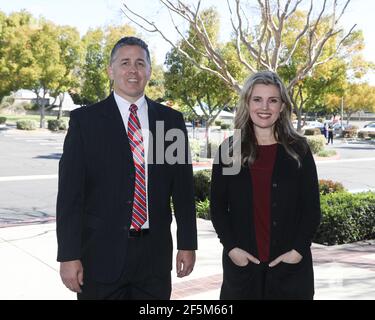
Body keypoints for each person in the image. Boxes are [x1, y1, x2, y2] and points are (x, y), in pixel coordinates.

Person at [56, 36, 197, 300]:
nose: (133, 70)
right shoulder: (85, 122)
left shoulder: (169, 122)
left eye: (140, 63)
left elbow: (182, 190)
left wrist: (187, 244)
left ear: (149, 71)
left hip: (154, 259)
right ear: (111, 70)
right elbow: (70, 197)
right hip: (99, 257)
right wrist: (68, 255)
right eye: (125, 62)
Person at [210, 71, 321, 300]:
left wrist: (298, 251)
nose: (265, 107)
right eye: (257, 99)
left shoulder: (298, 150)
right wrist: (231, 248)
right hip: (243, 271)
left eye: (273, 100)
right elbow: (218, 207)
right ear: (247, 104)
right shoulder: (231, 151)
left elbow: (311, 208)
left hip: (290, 271)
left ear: (282, 107)